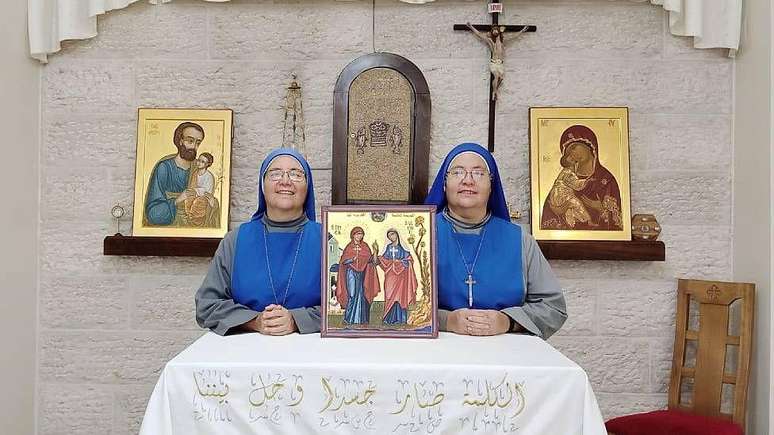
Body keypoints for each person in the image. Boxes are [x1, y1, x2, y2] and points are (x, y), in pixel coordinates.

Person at [425, 143, 567, 339]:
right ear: (444, 183)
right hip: (434, 356)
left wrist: (508, 321)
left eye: (478, 173)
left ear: (492, 185)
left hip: (507, 358)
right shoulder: (418, 234)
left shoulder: (520, 241)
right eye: (458, 172)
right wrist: (446, 320)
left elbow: (553, 308)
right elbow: (394, 305)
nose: (468, 180)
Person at [195, 148, 321, 335]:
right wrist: (255, 321)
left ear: (307, 187)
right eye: (275, 173)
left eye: (295, 174)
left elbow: (351, 308)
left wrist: (297, 320)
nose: (285, 181)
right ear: (262, 185)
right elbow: (207, 305)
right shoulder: (235, 240)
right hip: (246, 355)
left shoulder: (329, 239)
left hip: (314, 354)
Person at [541, 125, 623, 231]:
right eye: (568, 153)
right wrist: (559, 210)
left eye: (574, 148)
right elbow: (548, 220)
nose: (572, 154)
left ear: (589, 144)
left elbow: (617, 224)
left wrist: (600, 208)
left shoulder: (606, 180)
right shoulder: (565, 179)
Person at [145, 122, 204, 226]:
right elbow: (153, 214)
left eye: (198, 143)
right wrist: (177, 201)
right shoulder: (164, 168)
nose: (193, 146)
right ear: (180, 140)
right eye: (190, 141)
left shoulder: (199, 169)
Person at [335, 227, 381, 325]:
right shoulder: (349, 247)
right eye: (357, 234)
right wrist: (352, 259)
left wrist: (375, 251)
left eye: (361, 234)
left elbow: (372, 261)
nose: (359, 236)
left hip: (362, 274)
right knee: (352, 294)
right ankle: (348, 319)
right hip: (351, 273)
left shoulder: (365, 247)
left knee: (362, 295)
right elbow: (343, 261)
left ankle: (361, 320)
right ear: (353, 235)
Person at [377, 229, 418, 325]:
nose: (391, 237)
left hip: (401, 277)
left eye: (392, 234)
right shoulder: (388, 247)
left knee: (400, 297)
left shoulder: (403, 249)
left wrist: (399, 262)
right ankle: (389, 319)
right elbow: (383, 260)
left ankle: (400, 319)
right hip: (390, 276)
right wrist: (377, 256)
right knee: (389, 295)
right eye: (389, 236)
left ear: (397, 235)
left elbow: (409, 260)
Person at [184, 152, 220, 227]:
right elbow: (192, 186)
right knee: (188, 200)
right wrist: (192, 192)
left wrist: (196, 191)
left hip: (205, 197)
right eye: (199, 160)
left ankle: (195, 220)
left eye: (202, 161)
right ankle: (189, 216)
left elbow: (207, 191)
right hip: (195, 194)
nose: (199, 163)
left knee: (197, 203)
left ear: (207, 164)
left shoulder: (209, 176)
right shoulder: (195, 173)